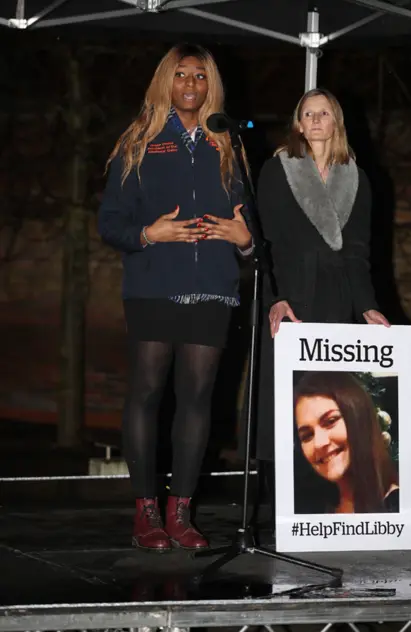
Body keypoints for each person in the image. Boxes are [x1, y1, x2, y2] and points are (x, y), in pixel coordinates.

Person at [98, 43, 253, 553]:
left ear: (212, 85)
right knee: (146, 393)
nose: (191, 83)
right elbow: (110, 223)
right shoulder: (139, 141)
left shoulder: (227, 141)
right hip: (152, 285)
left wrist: (245, 239)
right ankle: (145, 512)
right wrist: (150, 233)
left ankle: (181, 513)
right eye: (182, 74)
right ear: (166, 80)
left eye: (201, 76)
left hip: (213, 286)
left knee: (198, 399)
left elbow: (249, 224)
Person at [254, 88, 390, 513]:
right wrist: (275, 299)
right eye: (307, 113)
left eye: (323, 113)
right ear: (297, 123)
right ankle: (282, 510)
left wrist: (367, 305)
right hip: (292, 299)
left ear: (336, 123)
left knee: (329, 400)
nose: (315, 120)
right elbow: (266, 243)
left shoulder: (357, 177)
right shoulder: (278, 170)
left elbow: (358, 250)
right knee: (288, 404)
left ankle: (327, 509)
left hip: (339, 302)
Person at [293, 371, 399, 514]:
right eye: (307, 435)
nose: (319, 443)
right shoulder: (314, 507)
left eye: (330, 421)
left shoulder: (397, 507)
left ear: (358, 417)